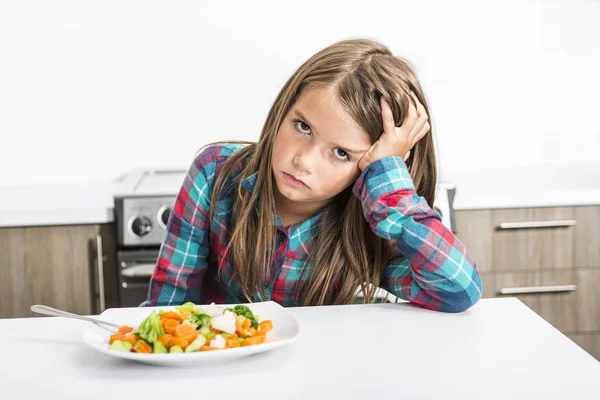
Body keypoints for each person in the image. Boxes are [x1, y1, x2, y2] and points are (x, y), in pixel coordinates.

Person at [144, 37, 482, 312]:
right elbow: (167, 304)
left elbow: (458, 289)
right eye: (303, 126)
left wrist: (387, 183)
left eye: (340, 153)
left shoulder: (371, 220)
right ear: (284, 109)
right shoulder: (216, 172)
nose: (304, 160)